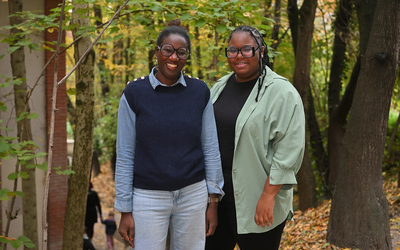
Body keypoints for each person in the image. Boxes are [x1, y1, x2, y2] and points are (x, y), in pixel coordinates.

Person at [114, 19, 224, 250]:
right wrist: (125, 209)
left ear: (186, 57)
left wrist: (212, 201)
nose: (174, 57)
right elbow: (125, 155)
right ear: (157, 52)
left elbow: (210, 147)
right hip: (147, 198)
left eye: (181, 52)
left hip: (193, 195)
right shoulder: (134, 93)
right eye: (168, 50)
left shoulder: (199, 91)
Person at [205, 25, 305, 250]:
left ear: (261, 51)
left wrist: (268, 196)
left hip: (257, 199)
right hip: (217, 200)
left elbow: (289, 150)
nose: (239, 56)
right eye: (233, 50)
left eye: (246, 49)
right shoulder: (219, 88)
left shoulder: (282, 92)